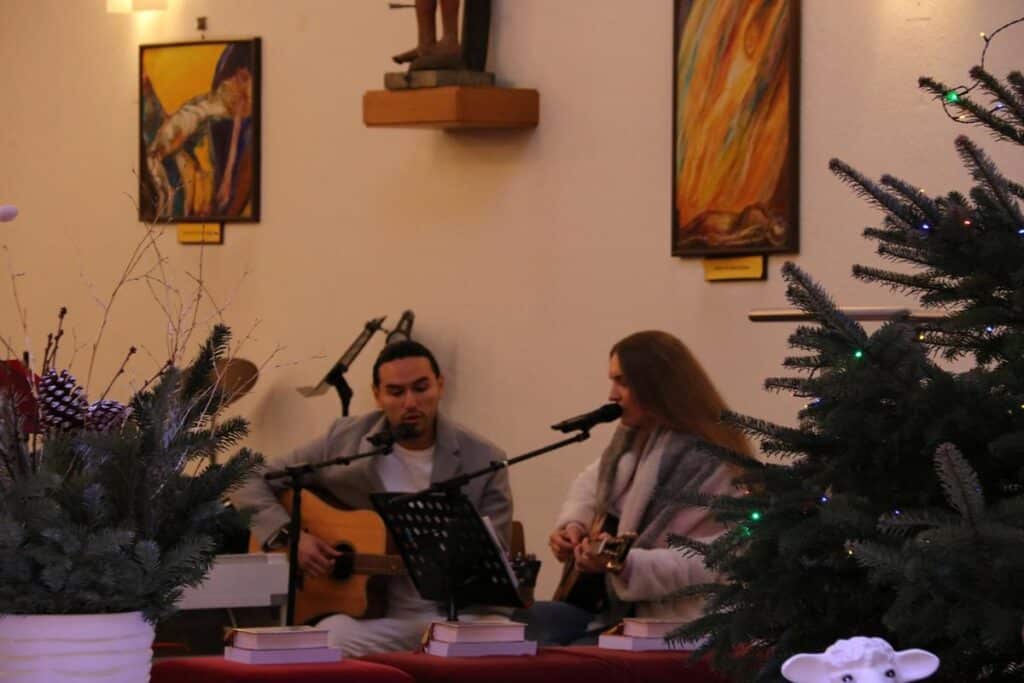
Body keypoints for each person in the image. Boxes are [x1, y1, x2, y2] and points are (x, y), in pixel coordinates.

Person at [232, 340, 512, 656]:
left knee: (501, 633)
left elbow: (496, 559)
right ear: (377, 395)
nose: (411, 402)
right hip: (379, 620)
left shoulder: (484, 459)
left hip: (458, 617)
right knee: (330, 638)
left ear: (440, 386)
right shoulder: (345, 440)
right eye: (396, 392)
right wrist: (292, 537)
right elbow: (245, 478)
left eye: (421, 388)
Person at [519, 330, 751, 645]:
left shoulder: (711, 462)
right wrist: (573, 525)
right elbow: (591, 484)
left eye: (623, 382)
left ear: (656, 387)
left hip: (673, 620)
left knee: (554, 656)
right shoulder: (635, 442)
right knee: (522, 624)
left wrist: (626, 565)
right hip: (612, 610)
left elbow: (713, 561)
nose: (612, 395)